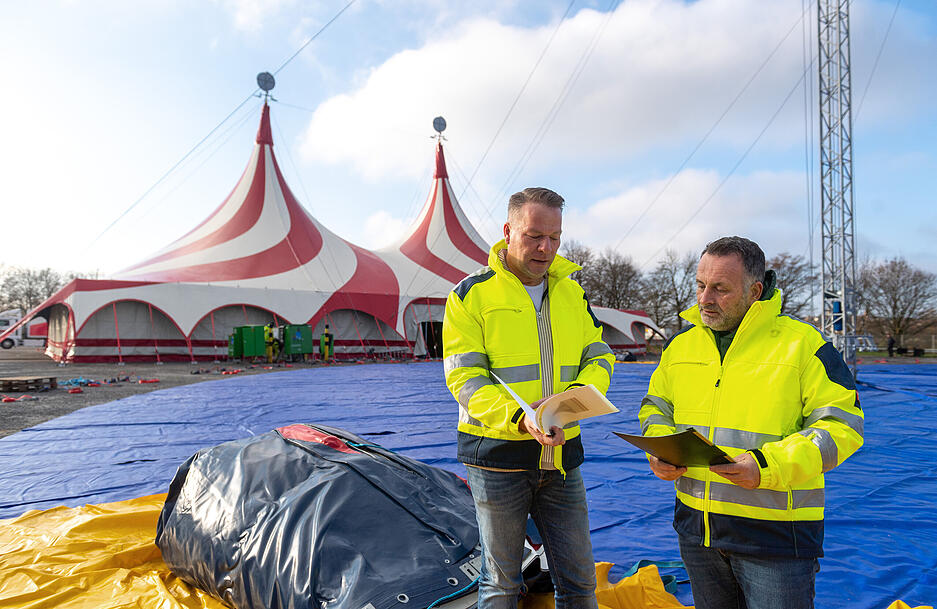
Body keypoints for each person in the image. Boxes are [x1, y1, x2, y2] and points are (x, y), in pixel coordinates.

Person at [639, 236, 864, 609]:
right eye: (700, 285)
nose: (704, 299)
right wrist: (662, 447)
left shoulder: (803, 346)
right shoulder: (681, 347)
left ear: (754, 290)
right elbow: (655, 406)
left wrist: (767, 466)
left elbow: (843, 426)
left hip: (774, 538)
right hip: (699, 532)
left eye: (720, 289)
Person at [443, 187, 614, 609]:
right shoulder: (471, 295)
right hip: (498, 460)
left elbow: (600, 355)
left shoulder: (573, 294)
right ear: (508, 231)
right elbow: (464, 377)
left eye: (555, 237)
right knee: (500, 583)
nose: (546, 248)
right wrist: (519, 419)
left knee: (579, 583)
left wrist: (580, 396)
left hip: (561, 459)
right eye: (535, 235)